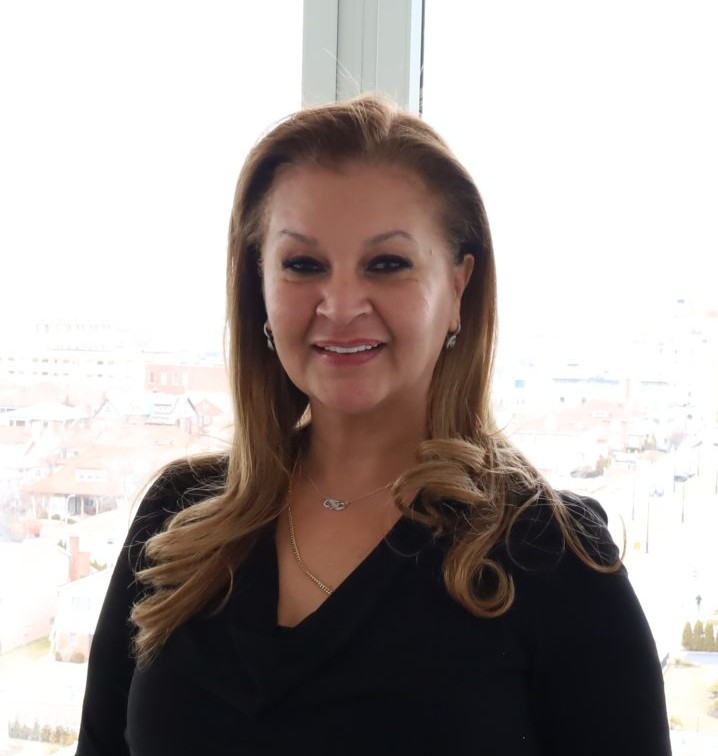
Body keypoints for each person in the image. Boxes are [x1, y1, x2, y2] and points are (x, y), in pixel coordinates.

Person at [75, 95, 671, 755]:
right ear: (259, 289)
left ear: (458, 288)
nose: (340, 305)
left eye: (387, 264)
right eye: (303, 265)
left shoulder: (551, 556)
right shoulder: (177, 521)